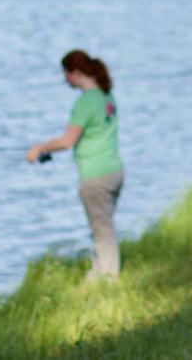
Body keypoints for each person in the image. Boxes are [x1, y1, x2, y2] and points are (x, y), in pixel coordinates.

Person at [26, 50, 124, 281]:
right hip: (115, 171)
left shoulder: (85, 101)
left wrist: (39, 149)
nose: (65, 80)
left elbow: (68, 141)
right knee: (104, 227)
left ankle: (109, 281)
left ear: (76, 73)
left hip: (95, 176)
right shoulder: (106, 96)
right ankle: (97, 275)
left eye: (66, 74)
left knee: (102, 232)